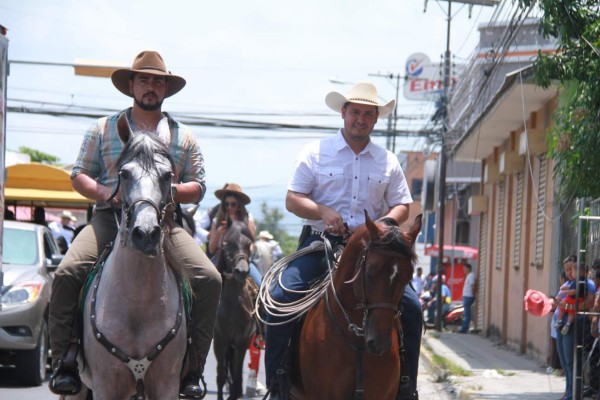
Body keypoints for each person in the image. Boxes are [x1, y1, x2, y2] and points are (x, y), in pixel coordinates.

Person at [47, 50, 222, 399]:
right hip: (109, 220)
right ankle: (64, 360)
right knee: (67, 272)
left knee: (210, 278)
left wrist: (165, 190)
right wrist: (108, 192)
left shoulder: (183, 137)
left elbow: (199, 185)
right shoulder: (103, 129)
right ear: (131, 85)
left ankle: (192, 371)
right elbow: (79, 174)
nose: (151, 86)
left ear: (166, 89)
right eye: (144, 79)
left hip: (165, 223)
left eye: (158, 81)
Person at [264, 81, 420, 400]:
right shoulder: (316, 152)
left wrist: (381, 225)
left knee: (413, 308)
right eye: (355, 113)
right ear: (343, 113)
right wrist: (322, 210)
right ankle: (278, 383)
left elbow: (403, 205)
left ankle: (407, 387)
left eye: (368, 114)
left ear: (376, 119)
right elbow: (293, 199)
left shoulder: (387, 161)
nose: (361, 119)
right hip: (320, 244)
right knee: (281, 297)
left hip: (373, 251)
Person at [555, 255, 596, 400]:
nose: (568, 273)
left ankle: (573, 393)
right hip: (561, 325)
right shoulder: (570, 283)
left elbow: (589, 303)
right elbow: (560, 302)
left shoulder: (586, 283)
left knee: (571, 361)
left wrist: (568, 306)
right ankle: (568, 391)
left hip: (573, 324)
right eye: (566, 270)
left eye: (570, 269)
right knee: (565, 362)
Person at [207, 183, 262, 285]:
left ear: (239, 205)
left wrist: (245, 253)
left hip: (242, 258)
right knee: (204, 283)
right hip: (220, 258)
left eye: (233, 204)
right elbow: (211, 249)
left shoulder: (247, 218)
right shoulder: (217, 220)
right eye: (226, 204)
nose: (229, 207)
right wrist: (219, 232)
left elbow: (251, 243)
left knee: (259, 284)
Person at [458, 263, 475, 333]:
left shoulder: (471, 275)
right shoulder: (468, 276)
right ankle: (465, 327)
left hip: (468, 296)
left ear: (469, 269)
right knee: (466, 312)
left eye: (465, 269)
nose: (464, 270)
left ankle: (464, 328)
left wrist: (473, 294)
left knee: (466, 313)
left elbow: (473, 285)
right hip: (467, 296)